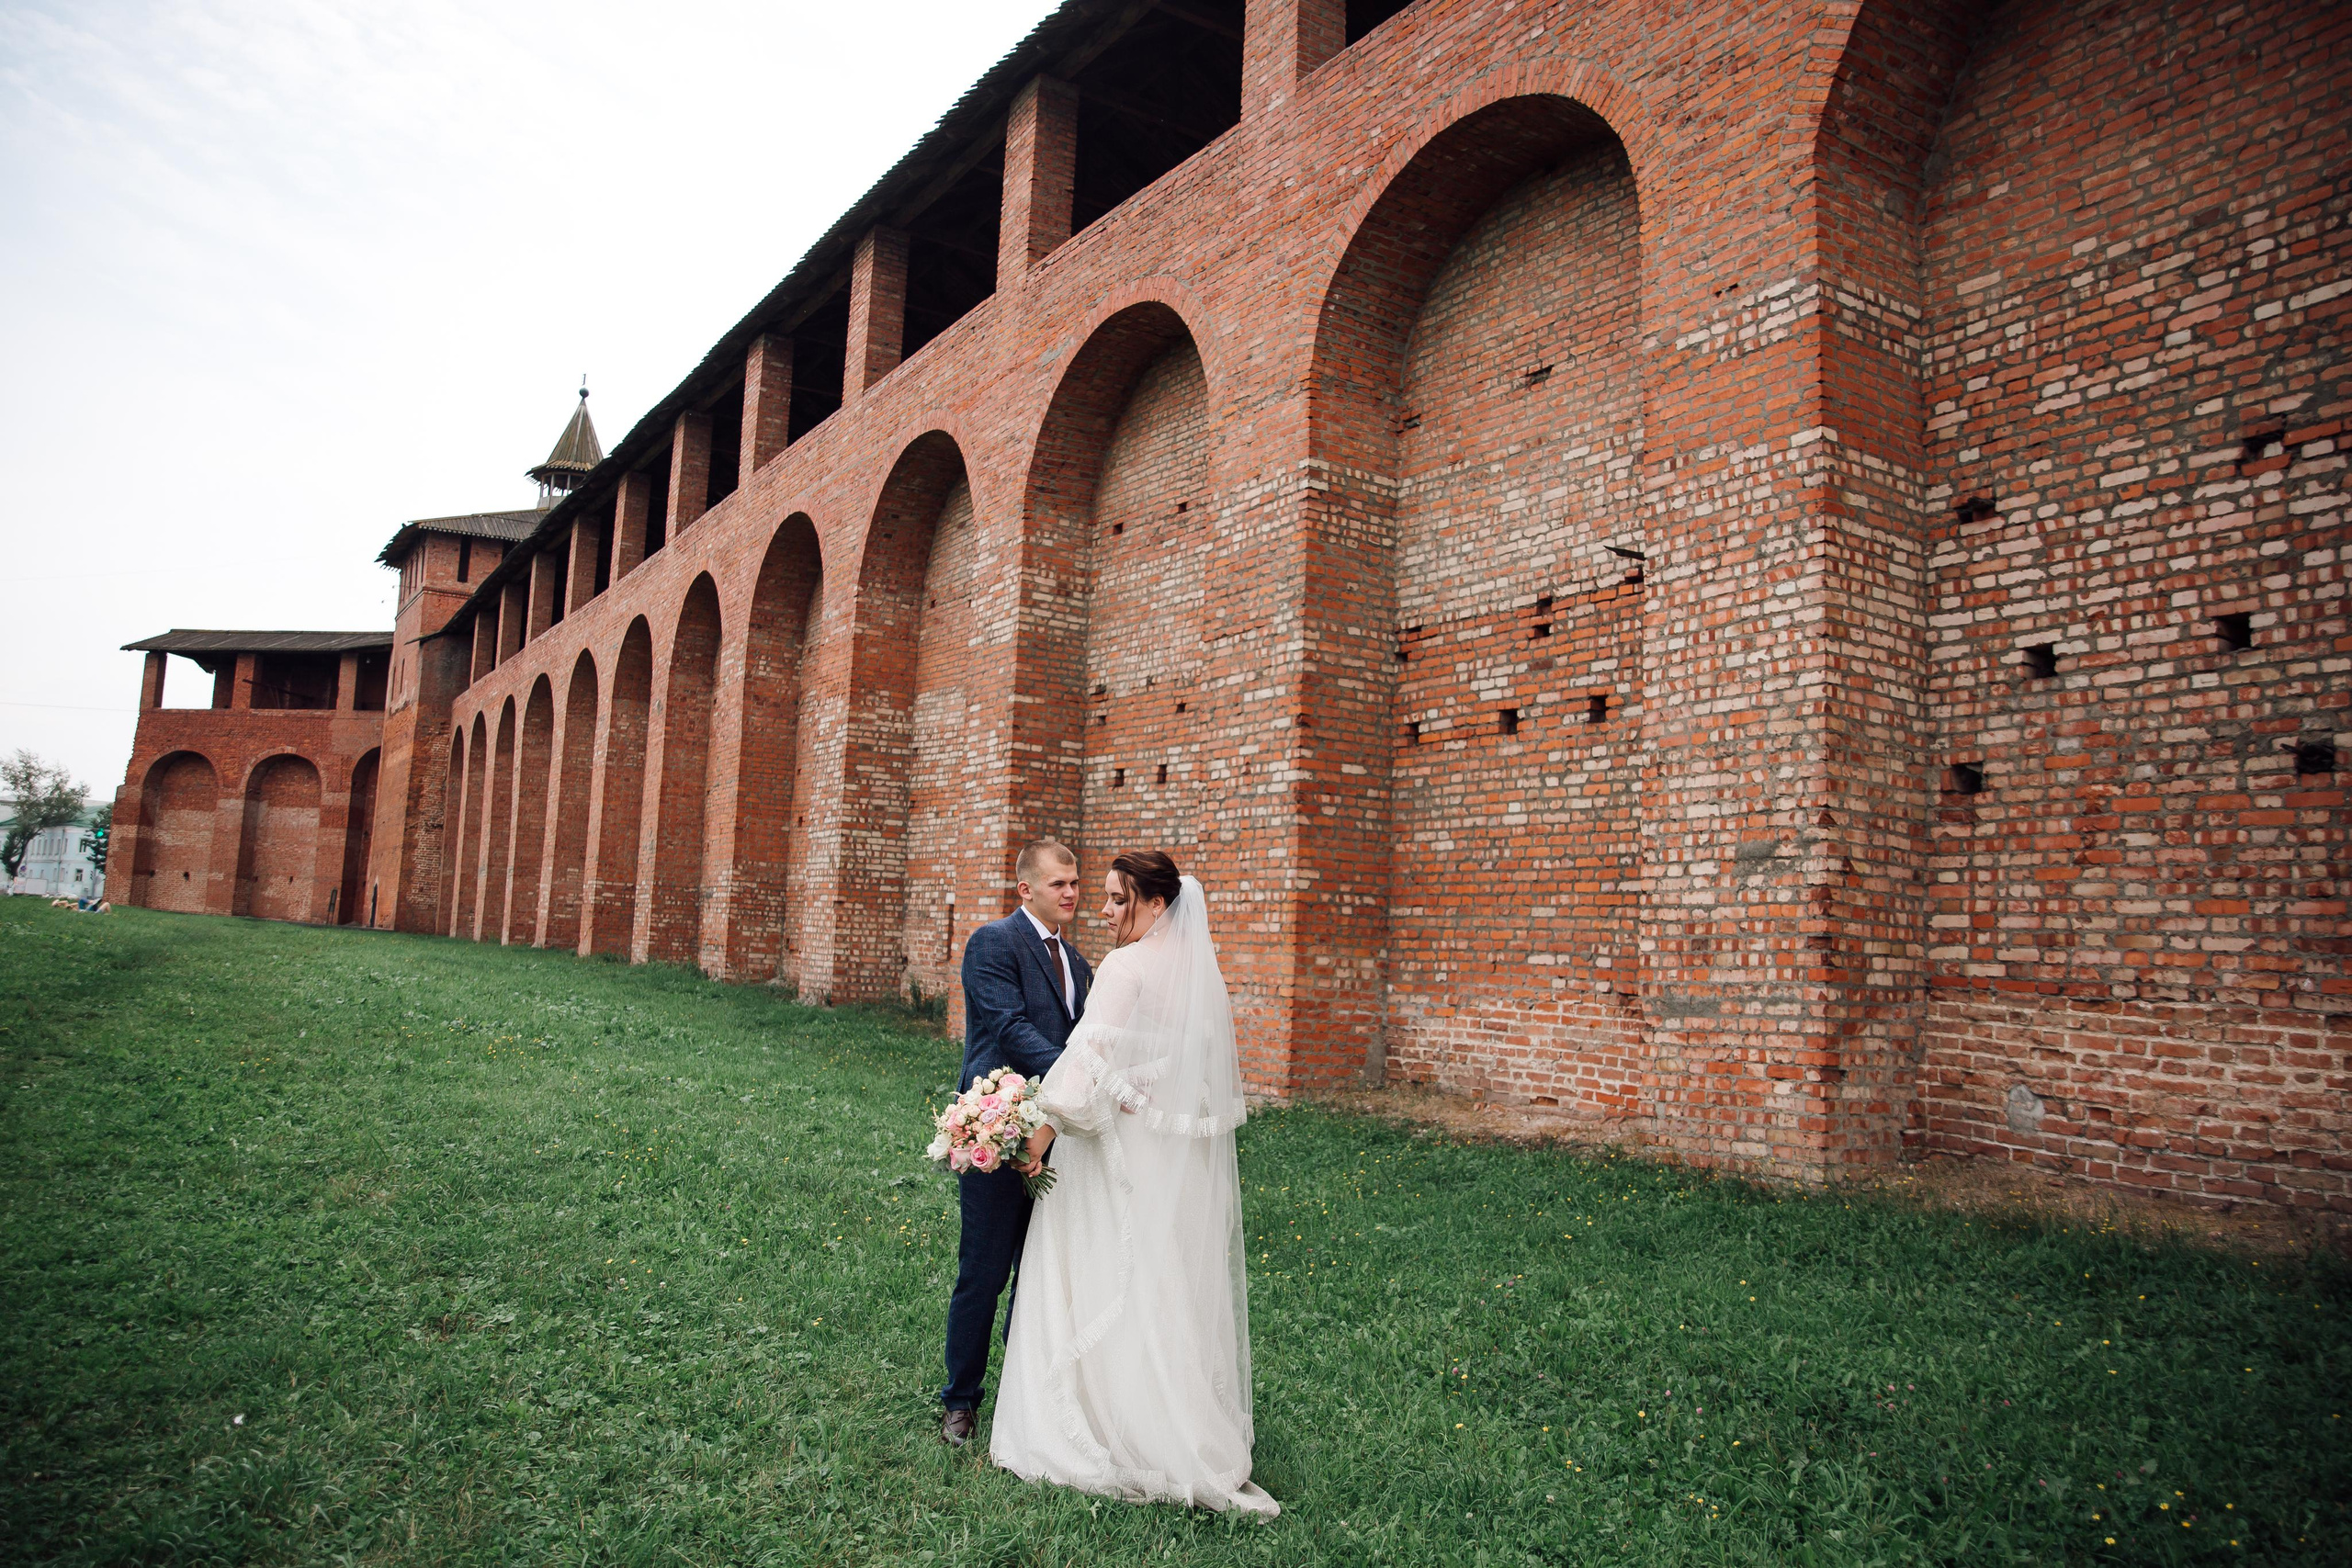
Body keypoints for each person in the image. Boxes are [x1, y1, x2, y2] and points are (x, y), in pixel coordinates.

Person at [989, 850, 1278, 1515]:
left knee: (1091, 1274)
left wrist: (1041, 1129)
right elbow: (1173, 1066)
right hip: (1159, 1157)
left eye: (1120, 899)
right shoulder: (1195, 972)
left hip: (1108, 1156)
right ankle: (1168, 1427)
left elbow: (1085, 1064)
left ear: (1155, 903)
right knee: (1151, 1278)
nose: (1107, 910)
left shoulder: (1125, 967)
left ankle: (1088, 1431)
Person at [941, 840, 1092, 1447]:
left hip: (1057, 1138)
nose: (1072, 892)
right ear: (1025, 888)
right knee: (985, 1270)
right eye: (1060, 883)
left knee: (1041, 1273)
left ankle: (1022, 1398)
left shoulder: (1079, 964)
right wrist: (1081, 1079)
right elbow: (1008, 1027)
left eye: (1076, 882)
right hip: (998, 1132)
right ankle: (960, 1400)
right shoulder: (992, 943)